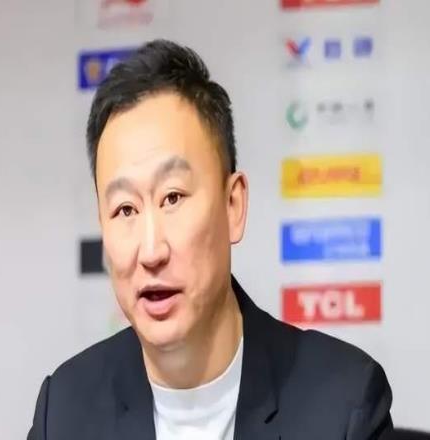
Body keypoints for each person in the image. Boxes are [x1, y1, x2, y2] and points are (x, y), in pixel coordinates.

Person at [27, 39, 393, 440]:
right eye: (125, 210)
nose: (151, 251)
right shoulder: (63, 413)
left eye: (172, 197)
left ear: (233, 205)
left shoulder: (344, 405)